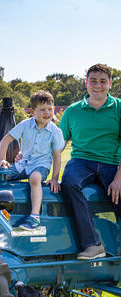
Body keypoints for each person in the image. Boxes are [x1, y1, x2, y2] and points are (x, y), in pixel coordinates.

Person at [60, 63, 121, 260]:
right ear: (86, 83)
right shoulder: (72, 111)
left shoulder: (119, 108)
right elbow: (57, 144)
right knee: (69, 183)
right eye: (93, 81)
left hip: (112, 162)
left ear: (110, 84)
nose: (97, 86)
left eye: (102, 81)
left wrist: (119, 178)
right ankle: (93, 245)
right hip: (81, 161)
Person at [0, 90, 65, 230]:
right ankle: (0, 213)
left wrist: (55, 178)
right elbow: (5, 141)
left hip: (41, 165)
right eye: (42, 109)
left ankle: (34, 217)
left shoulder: (56, 132)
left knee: (35, 178)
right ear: (32, 111)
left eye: (50, 109)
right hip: (23, 164)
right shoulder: (25, 124)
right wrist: (2, 161)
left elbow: (57, 156)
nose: (47, 113)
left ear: (54, 109)